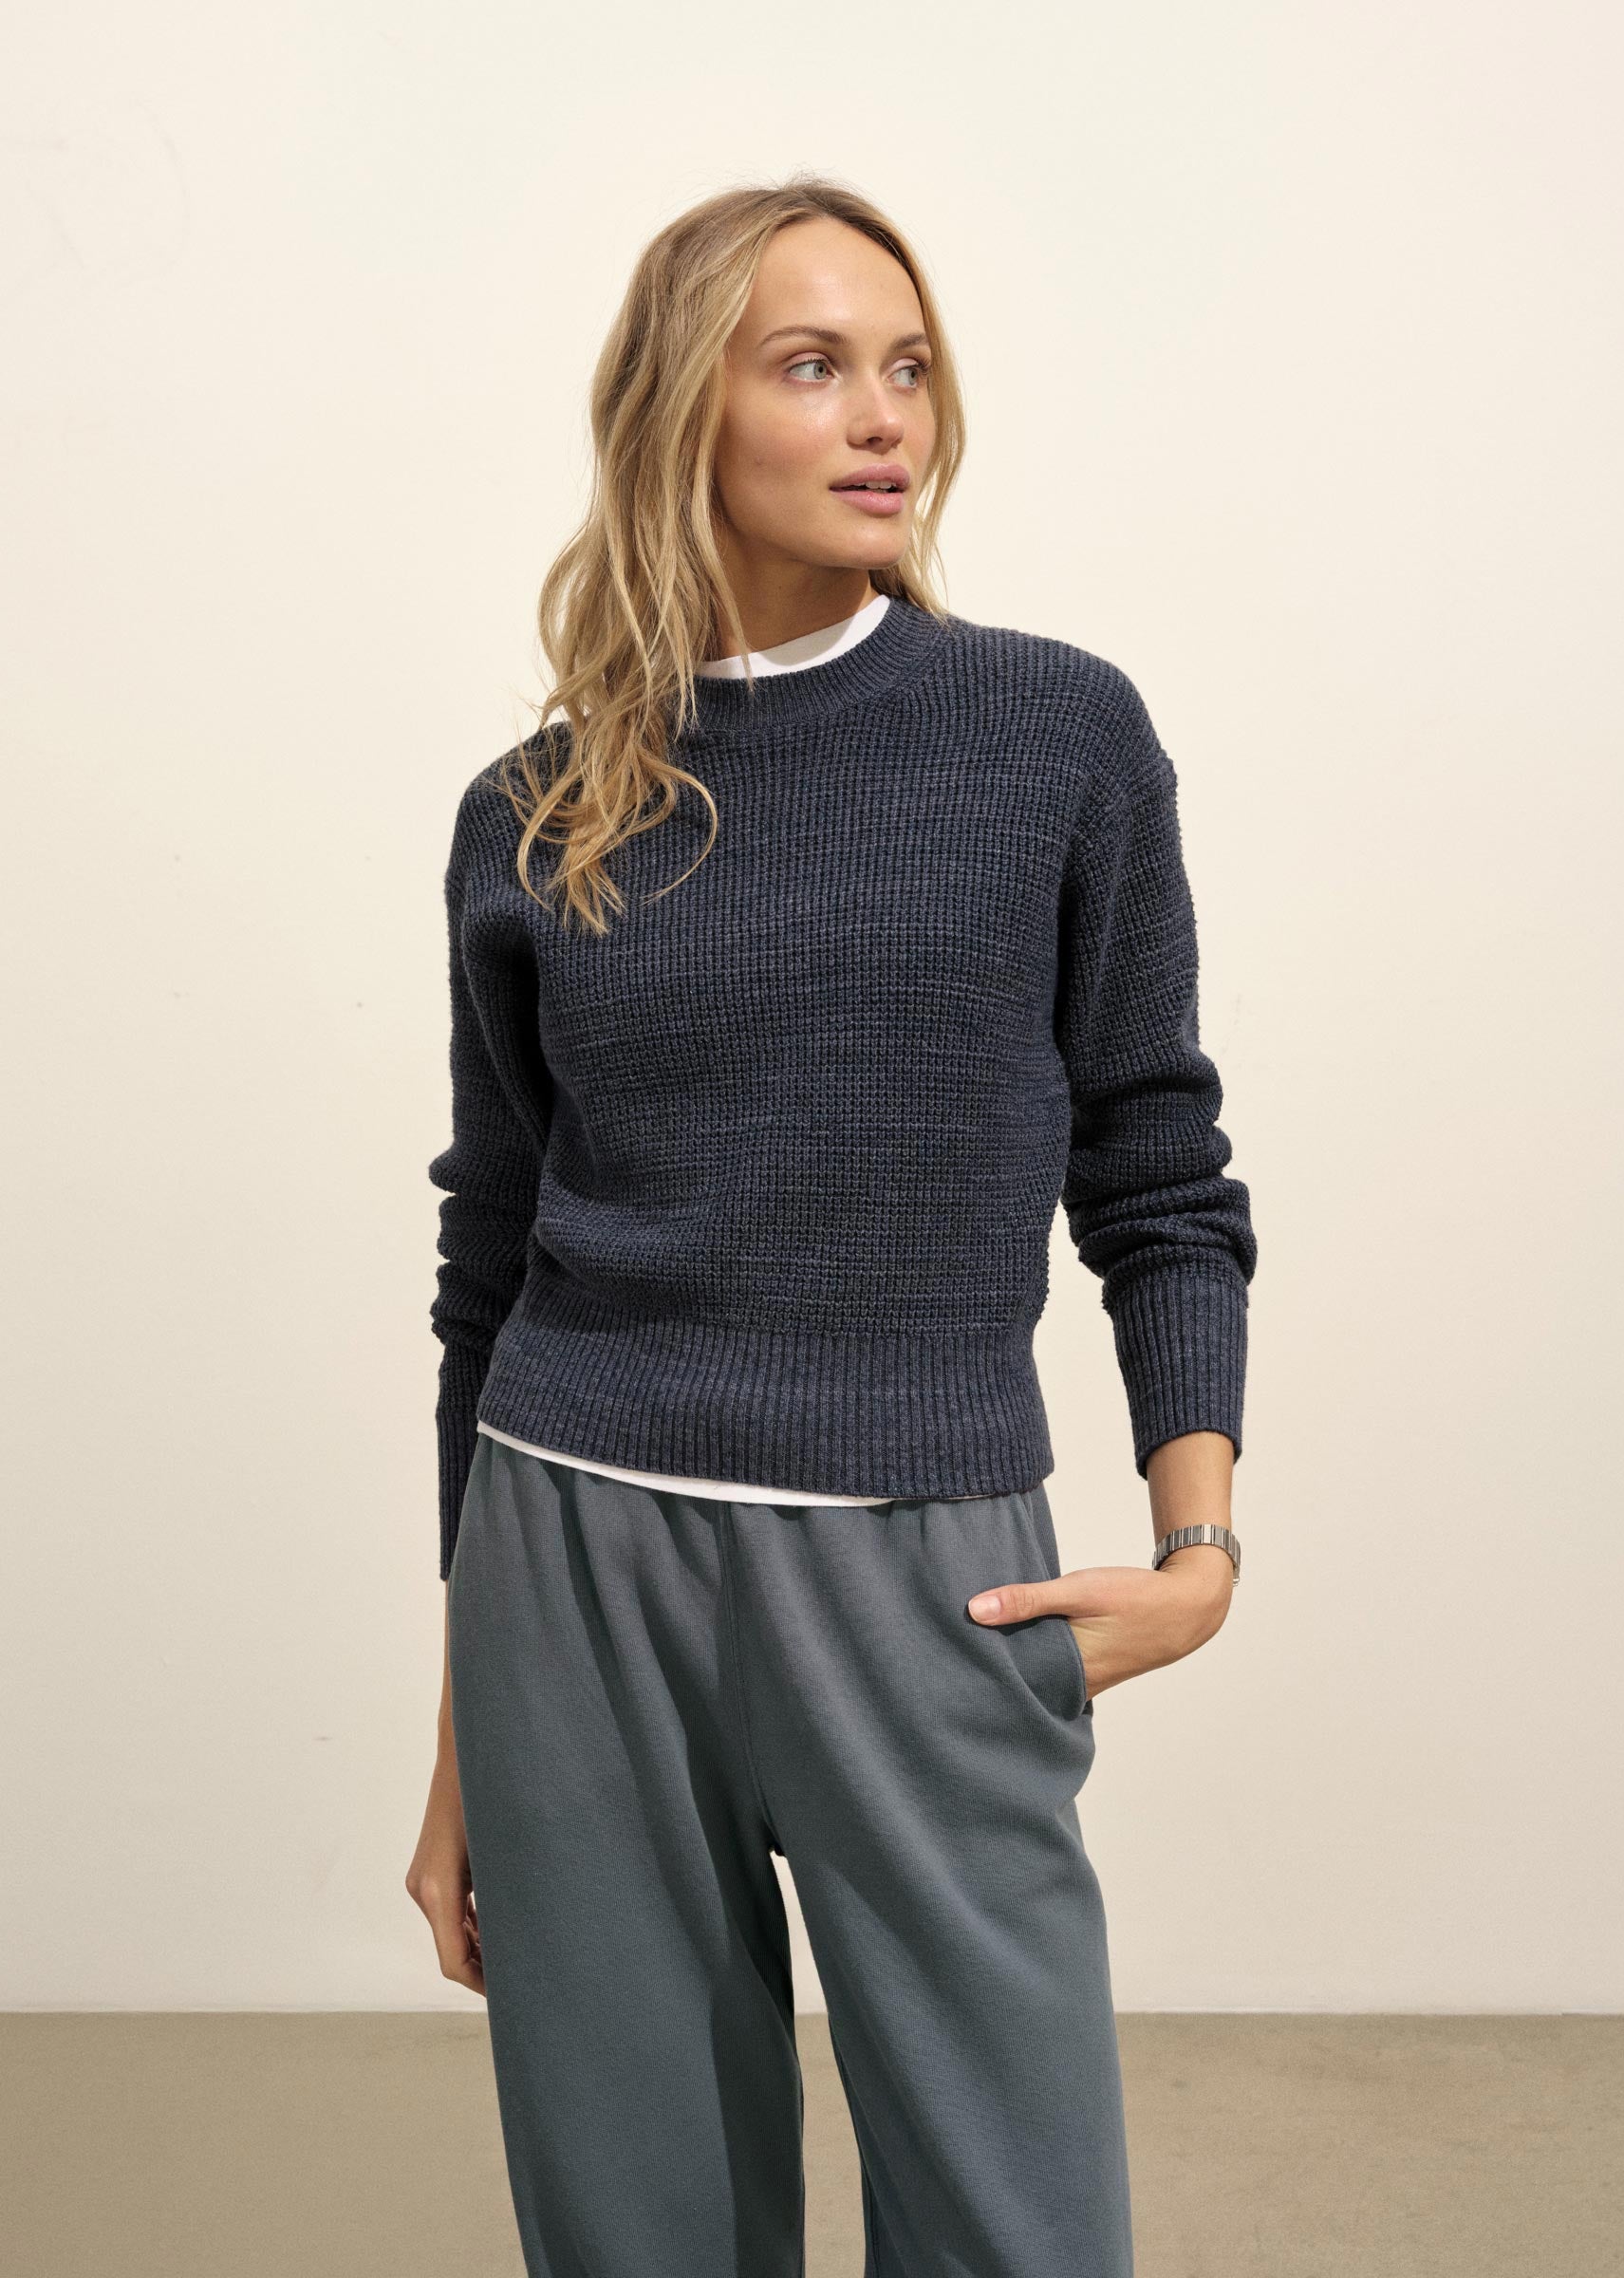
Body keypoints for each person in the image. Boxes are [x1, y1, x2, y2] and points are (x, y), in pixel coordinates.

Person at [405, 173, 1256, 2278]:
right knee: (639, 2230)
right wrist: (462, 1735)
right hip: (569, 1561)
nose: (885, 419)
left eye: (909, 369)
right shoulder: (535, 812)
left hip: (919, 1565)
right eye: (812, 367)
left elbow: (1157, 1164)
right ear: (684, 411)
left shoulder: (1054, 735)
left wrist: (1201, 1548)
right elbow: (488, 1258)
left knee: (1015, 2218)